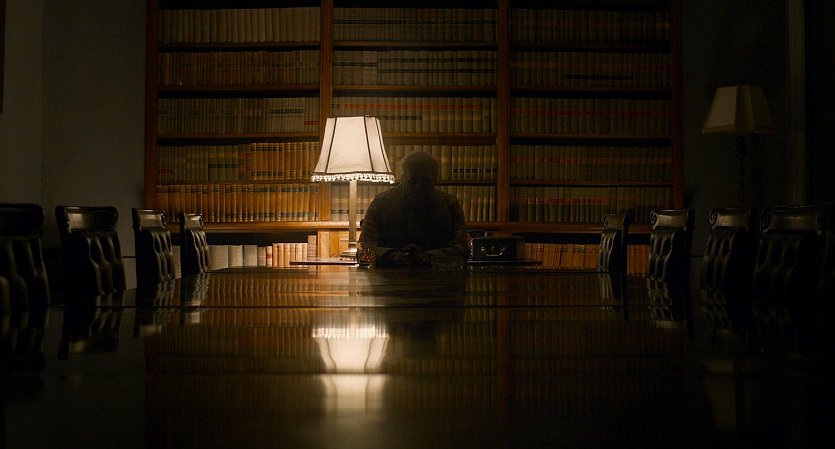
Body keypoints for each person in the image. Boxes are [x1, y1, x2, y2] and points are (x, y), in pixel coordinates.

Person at [359, 151, 469, 267]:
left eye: (425, 181)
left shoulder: (381, 203)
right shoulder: (449, 204)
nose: (419, 188)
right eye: (412, 181)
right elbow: (364, 248)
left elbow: (462, 249)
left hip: (394, 273)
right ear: (403, 178)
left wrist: (394, 256)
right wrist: (427, 257)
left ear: (435, 179)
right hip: (432, 273)